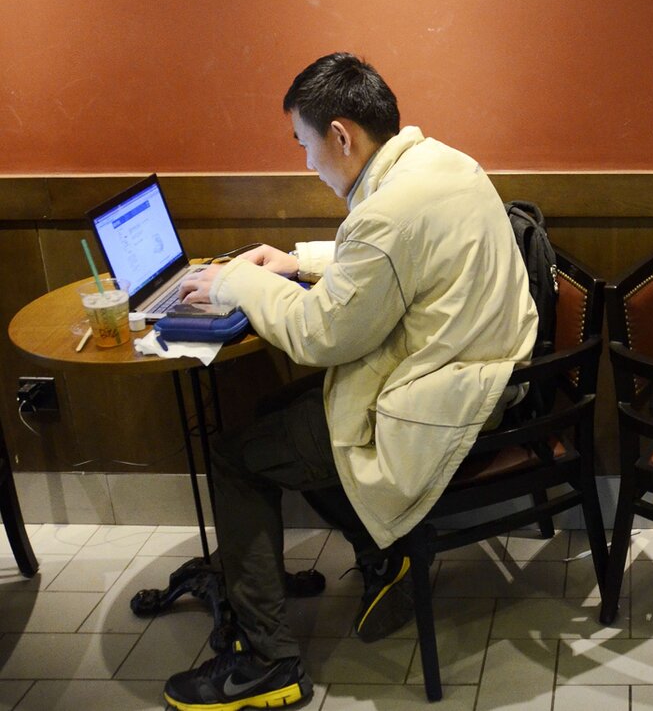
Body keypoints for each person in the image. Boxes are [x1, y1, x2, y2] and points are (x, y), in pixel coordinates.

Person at [162, 52, 538, 711]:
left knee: (235, 455)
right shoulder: (444, 164)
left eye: (304, 144)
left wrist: (234, 281)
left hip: (449, 405)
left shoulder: (387, 212)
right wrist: (296, 260)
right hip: (491, 378)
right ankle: (382, 553)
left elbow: (321, 335)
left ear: (341, 135)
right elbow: (398, 255)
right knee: (283, 414)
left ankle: (267, 662)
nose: (306, 163)